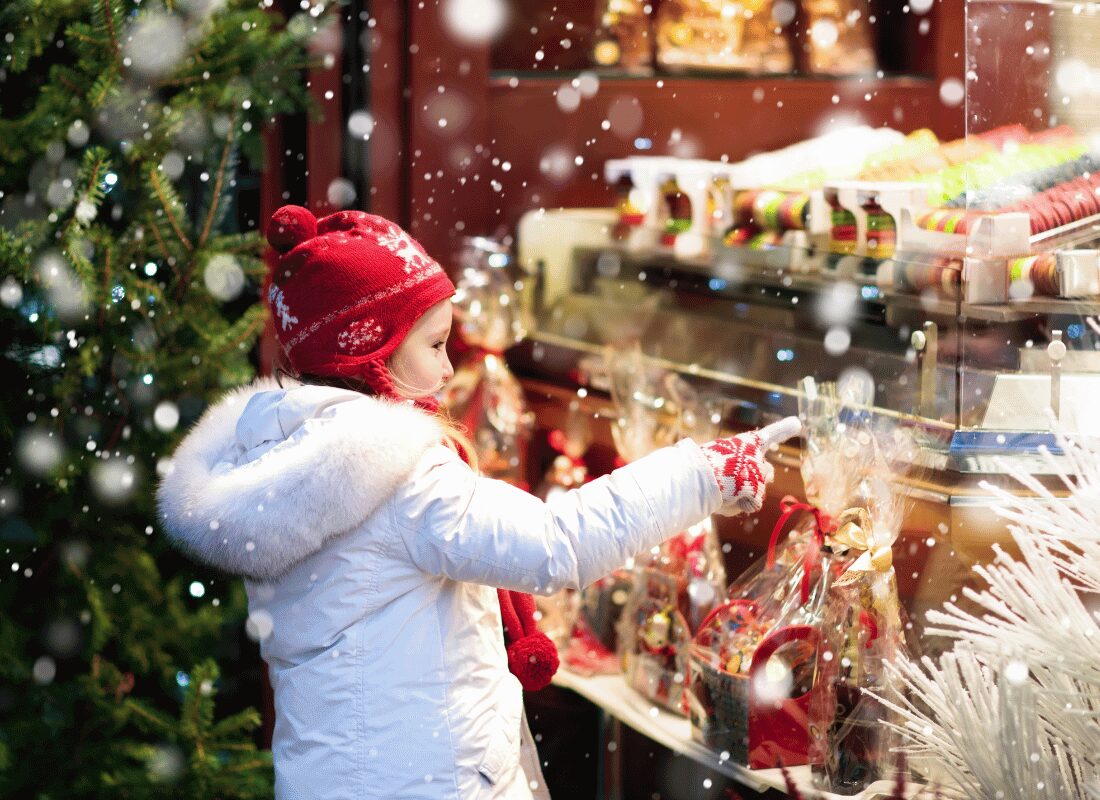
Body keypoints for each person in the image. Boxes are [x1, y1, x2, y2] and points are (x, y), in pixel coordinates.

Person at [157, 205, 800, 800]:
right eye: (434, 345)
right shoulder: (396, 477)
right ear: (366, 349)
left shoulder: (279, 450)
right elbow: (556, 546)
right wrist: (700, 474)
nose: (446, 370)